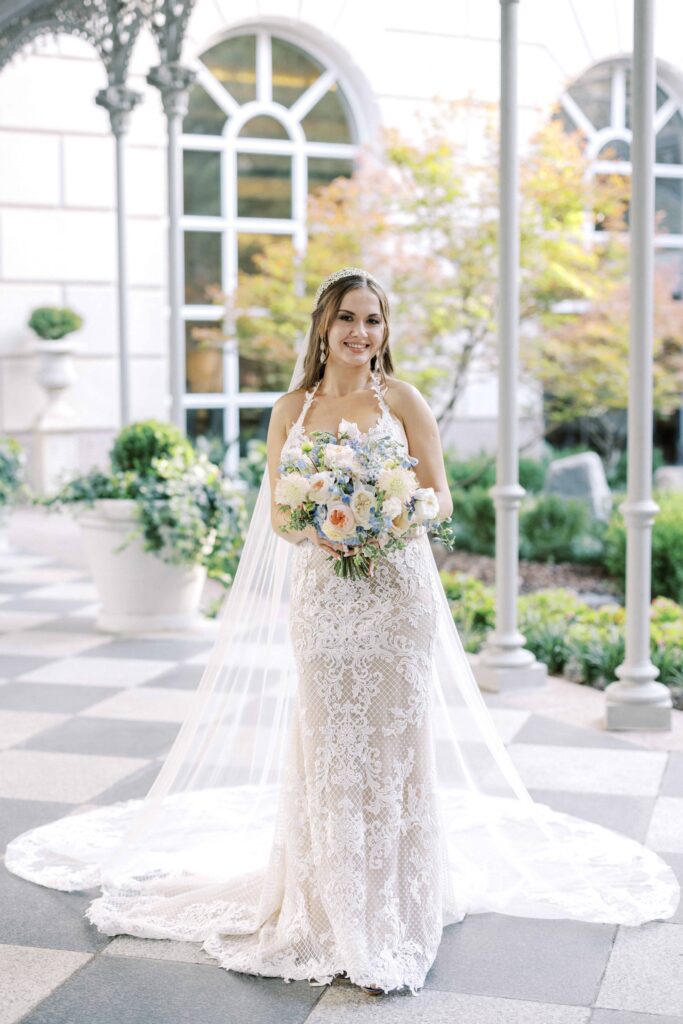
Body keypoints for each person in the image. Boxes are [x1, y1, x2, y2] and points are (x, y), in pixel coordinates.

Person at [5, 267, 679, 1000]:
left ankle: (392, 897)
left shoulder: (403, 401)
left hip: (397, 594)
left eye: (374, 321)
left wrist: (390, 515)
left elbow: (440, 491)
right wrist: (321, 524)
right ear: (323, 328)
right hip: (323, 596)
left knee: (391, 737)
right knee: (329, 739)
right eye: (350, 319)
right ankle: (327, 898)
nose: (362, 333)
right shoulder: (290, 409)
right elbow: (276, 513)